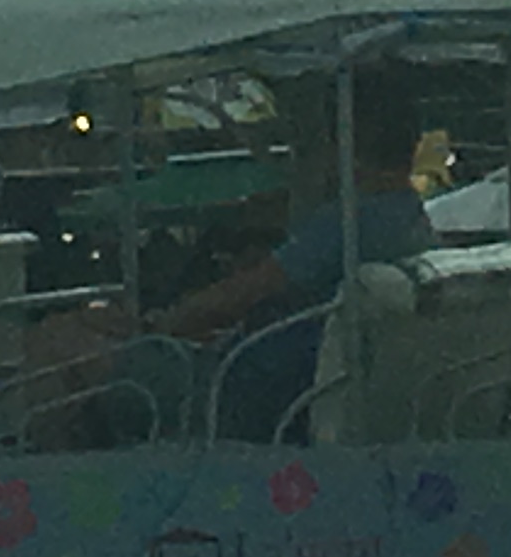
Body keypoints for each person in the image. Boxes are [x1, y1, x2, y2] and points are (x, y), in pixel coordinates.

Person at [159, 92, 439, 442]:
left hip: (262, 391)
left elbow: (239, 295)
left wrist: (162, 322)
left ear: (347, 143)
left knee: (83, 356)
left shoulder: (345, 225)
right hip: (326, 381)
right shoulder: (410, 217)